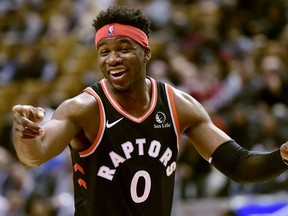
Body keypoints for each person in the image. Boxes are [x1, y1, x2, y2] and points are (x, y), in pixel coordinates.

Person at [12, 6, 288, 216]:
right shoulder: (84, 108)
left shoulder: (178, 105)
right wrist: (25, 135)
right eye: (104, 51)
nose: (113, 59)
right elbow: (35, 155)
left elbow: (238, 165)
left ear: (146, 53)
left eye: (123, 48)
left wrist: (282, 157)